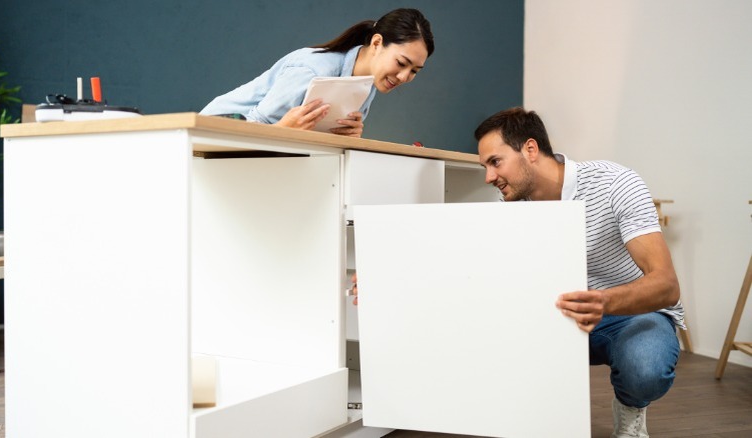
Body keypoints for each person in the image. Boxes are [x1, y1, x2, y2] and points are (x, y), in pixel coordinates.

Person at [474, 107, 684, 437]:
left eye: (495, 162)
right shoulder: (510, 207)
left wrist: (604, 302)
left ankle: (630, 409)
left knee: (645, 369)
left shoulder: (616, 183)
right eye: (484, 166)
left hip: (630, 312)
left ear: (530, 150)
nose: (488, 177)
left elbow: (667, 286)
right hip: (557, 312)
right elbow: (475, 271)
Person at [200, 8, 434, 138]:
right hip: (211, 133)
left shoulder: (367, 84)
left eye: (414, 71)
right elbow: (253, 124)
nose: (404, 77)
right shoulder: (312, 70)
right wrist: (282, 130)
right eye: (402, 63)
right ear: (376, 43)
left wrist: (347, 139)